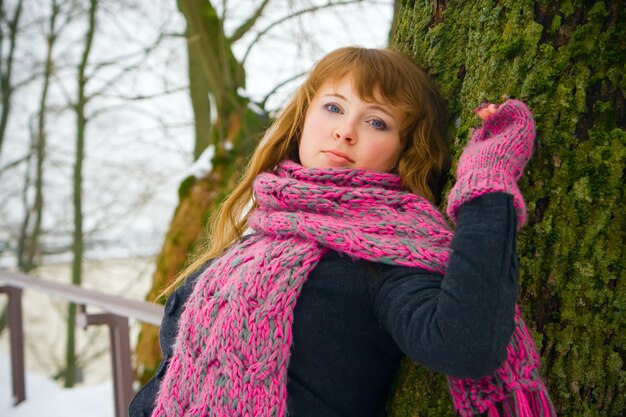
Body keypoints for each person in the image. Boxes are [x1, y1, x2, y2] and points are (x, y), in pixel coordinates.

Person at [129, 47, 556, 417]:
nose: (345, 131)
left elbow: (466, 345)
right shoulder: (256, 238)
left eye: (377, 122)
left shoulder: (387, 256)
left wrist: (486, 187)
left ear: (403, 151)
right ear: (303, 117)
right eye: (333, 107)